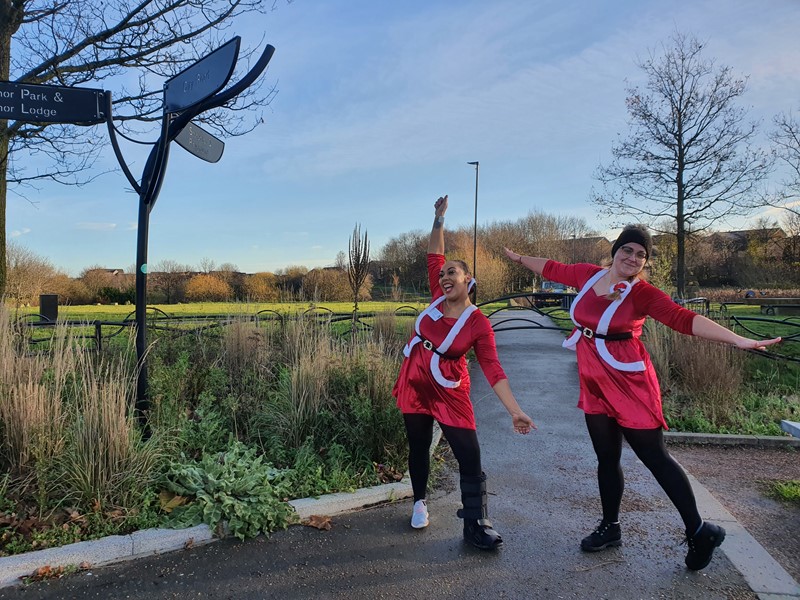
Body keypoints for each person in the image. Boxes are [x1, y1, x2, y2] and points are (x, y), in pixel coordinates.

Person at [504, 225, 781, 570]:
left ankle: (699, 530)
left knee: (655, 457)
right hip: (594, 379)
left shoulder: (642, 293)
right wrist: (518, 258)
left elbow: (682, 318)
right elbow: (550, 267)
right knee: (606, 457)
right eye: (628, 250)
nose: (633, 258)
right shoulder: (588, 276)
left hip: (629, 381)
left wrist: (736, 340)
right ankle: (611, 527)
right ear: (615, 250)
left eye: (641, 254)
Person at [392, 194, 536, 550]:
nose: (443, 277)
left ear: (467, 279)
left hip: (450, 390)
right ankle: (419, 501)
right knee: (419, 445)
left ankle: (476, 524)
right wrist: (439, 219)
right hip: (415, 383)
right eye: (441, 275)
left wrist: (514, 410)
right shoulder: (435, 298)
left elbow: (493, 368)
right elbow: (434, 254)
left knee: (469, 454)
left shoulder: (478, 324)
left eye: (451, 272)